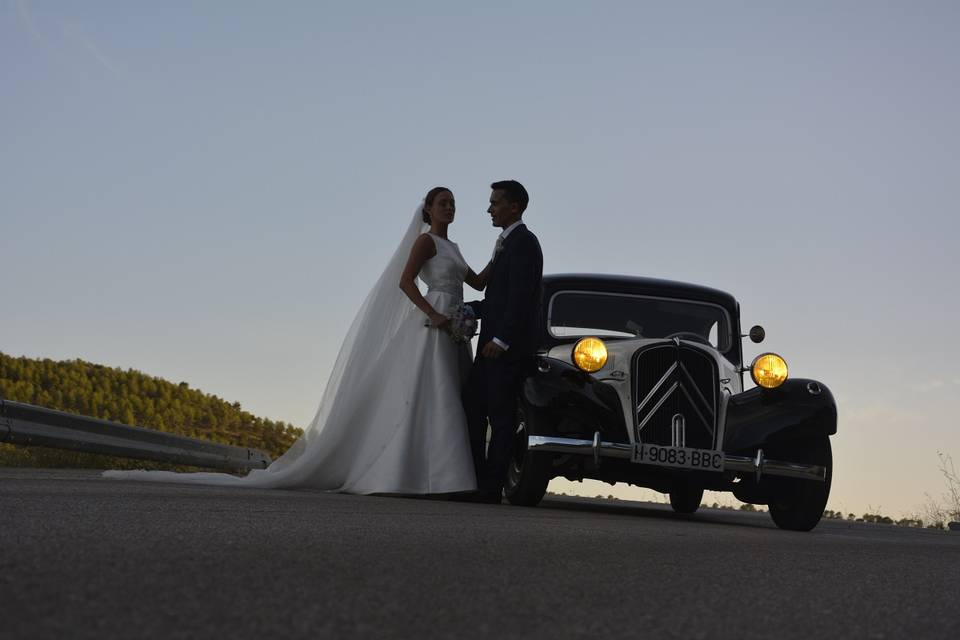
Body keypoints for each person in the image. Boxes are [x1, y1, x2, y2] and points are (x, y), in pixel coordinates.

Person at [104, 187, 490, 495]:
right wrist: (433, 313)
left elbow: (476, 283)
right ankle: (422, 475)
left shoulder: (454, 248)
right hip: (432, 320)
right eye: (443, 203)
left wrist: (501, 250)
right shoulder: (425, 243)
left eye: (453, 203)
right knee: (432, 392)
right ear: (428, 210)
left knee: (450, 393)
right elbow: (404, 282)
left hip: (455, 323)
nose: (450, 208)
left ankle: (443, 474)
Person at [462, 180, 543, 503]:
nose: (489, 208)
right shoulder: (505, 243)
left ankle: (490, 487)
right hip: (490, 345)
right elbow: (498, 300)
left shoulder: (524, 242)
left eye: (495, 203)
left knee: (501, 416)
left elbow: (521, 299)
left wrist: (502, 339)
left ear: (514, 207)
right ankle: (479, 479)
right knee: (472, 405)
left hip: (504, 350)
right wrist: (463, 310)